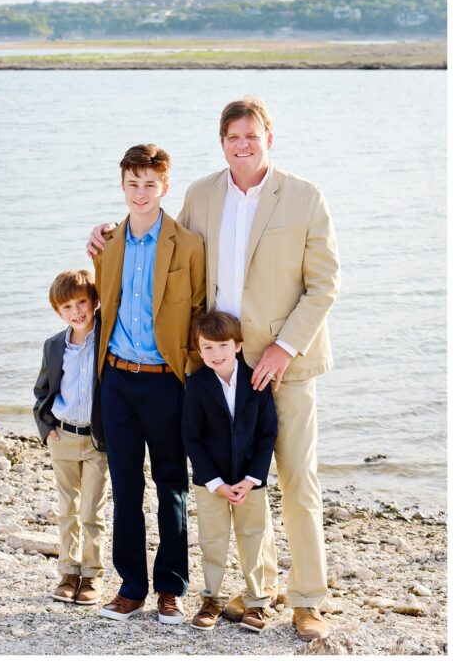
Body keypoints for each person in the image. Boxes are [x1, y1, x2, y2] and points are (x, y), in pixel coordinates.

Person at [88, 97, 340, 641]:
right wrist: (105, 235)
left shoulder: (304, 197)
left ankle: (307, 601)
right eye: (232, 137)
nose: (242, 145)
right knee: (238, 484)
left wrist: (284, 349)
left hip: (283, 366)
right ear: (221, 143)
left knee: (297, 482)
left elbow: (324, 287)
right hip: (220, 370)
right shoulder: (203, 194)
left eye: (252, 135)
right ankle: (258, 588)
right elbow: (160, 241)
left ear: (269, 137)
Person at [92, 144, 205, 625]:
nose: (141, 193)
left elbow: (200, 311)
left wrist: (195, 373)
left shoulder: (188, 244)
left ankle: (171, 589)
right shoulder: (107, 244)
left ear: (165, 187)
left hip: (166, 383)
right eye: (133, 184)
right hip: (117, 381)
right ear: (122, 186)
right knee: (125, 486)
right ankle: (131, 587)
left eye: (150, 184)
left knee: (172, 486)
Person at [182, 311, 277, 633]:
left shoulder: (256, 380)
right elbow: (191, 438)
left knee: (253, 539)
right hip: (211, 483)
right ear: (198, 348)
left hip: (251, 481)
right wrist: (217, 483)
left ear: (237, 346)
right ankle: (212, 599)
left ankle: (256, 602)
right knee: (213, 540)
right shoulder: (196, 385)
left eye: (222, 345)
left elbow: (267, 434)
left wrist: (252, 479)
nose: (215, 354)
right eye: (207, 347)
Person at [32, 269, 109, 606]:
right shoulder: (54, 346)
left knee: (93, 510)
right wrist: (46, 428)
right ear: (58, 312)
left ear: (94, 301)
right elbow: (42, 391)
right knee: (68, 509)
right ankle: (68, 572)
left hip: (97, 440)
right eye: (67, 307)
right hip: (62, 437)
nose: (76, 311)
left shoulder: (107, 336)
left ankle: (92, 574)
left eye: (82, 302)